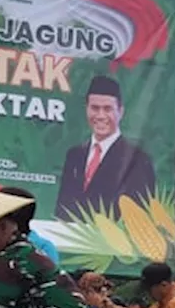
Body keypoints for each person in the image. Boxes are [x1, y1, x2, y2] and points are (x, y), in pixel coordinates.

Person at [54, 75, 156, 222]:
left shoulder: (138, 160)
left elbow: (140, 215)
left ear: (120, 112)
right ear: (86, 109)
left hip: (110, 242)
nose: (100, 116)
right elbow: (61, 210)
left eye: (108, 109)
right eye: (95, 108)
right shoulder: (74, 155)